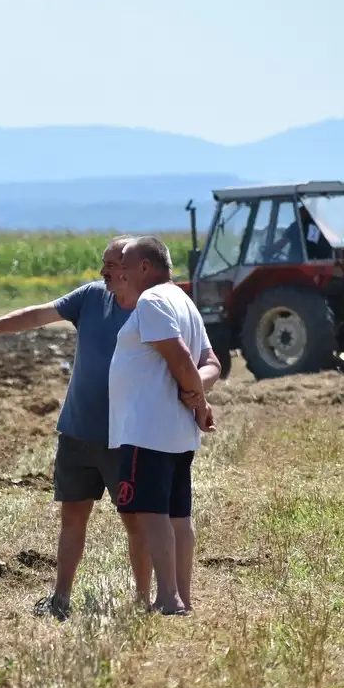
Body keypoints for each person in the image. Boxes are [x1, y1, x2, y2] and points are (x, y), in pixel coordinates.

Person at [0, 236, 139, 621]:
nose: (103, 272)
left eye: (111, 264)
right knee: (72, 517)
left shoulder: (152, 308)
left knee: (136, 521)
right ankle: (60, 599)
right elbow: (35, 316)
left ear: (134, 267)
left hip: (125, 435)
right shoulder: (90, 297)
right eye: (103, 263)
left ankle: (144, 599)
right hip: (78, 430)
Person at [108, 236, 221, 616]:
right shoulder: (184, 301)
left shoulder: (153, 300)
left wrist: (199, 400)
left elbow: (181, 357)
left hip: (147, 428)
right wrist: (198, 393)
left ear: (144, 267)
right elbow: (211, 363)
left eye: (124, 263)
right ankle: (182, 598)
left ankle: (168, 597)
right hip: (175, 431)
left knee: (150, 513)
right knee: (178, 516)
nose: (118, 271)